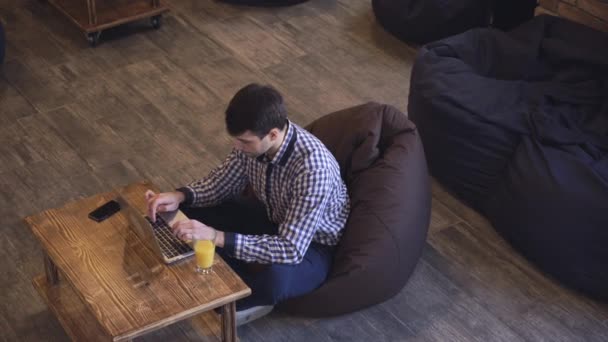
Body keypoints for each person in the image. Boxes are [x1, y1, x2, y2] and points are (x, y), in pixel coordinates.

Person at [145, 83, 350, 323]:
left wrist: (216, 236)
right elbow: (221, 183)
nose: (237, 147)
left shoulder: (314, 169)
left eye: (244, 142)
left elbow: (291, 249)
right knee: (187, 210)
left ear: (273, 134)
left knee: (276, 279)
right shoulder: (253, 144)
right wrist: (179, 196)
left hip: (311, 246)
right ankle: (217, 268)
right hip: (271, 218)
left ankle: (241, 296)